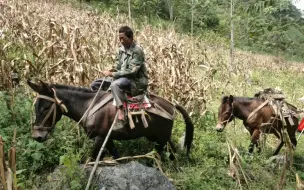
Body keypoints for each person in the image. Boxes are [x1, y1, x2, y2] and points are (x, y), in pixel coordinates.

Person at [94, 26, 148, 122]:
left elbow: (132, 71)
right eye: (119, 38)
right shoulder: (121, 49)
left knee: (115, 85)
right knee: (95, 83)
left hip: (134, 80)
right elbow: (118, 65)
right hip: (121, 77)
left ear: (130, 37)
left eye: (123, 38)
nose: (121, 41)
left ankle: (120, 109)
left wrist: (112, 74)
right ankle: (104, 107)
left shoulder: (137, 51)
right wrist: (112, 69)